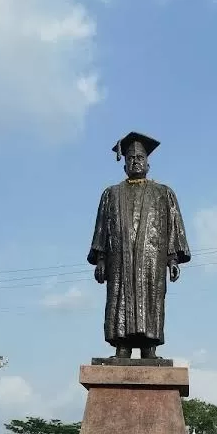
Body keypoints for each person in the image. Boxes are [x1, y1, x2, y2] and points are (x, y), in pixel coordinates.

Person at [88, 131, 190, 359]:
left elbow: (173, 227)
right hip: (119, 261)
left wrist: (172, 259)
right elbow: (101, 229)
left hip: (151, 260)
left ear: (148, 163)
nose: (135, 161)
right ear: (124, 165)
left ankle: (148, 348)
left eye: (140, 158)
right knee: (119, 299)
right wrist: (101, 259)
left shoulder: (163, 193)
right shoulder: (111, 194)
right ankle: (122, 347)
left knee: (151, 299)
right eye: (130, 158)